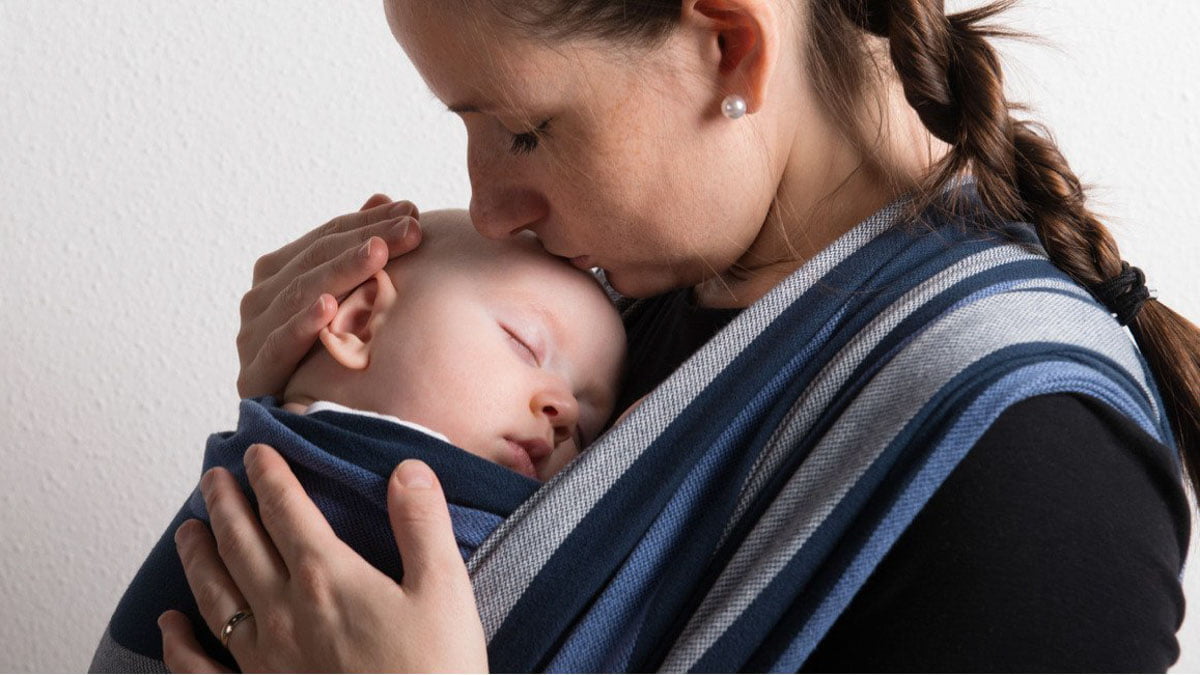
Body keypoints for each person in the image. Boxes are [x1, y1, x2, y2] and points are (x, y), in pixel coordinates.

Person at [154, 0, 1197, 671]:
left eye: (525, 129)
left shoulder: (1038, 467)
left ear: (729, 45)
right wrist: (315, 425)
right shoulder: (610, 309)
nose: (490, 203)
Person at [88, 210, 626, 672]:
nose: (564, 411)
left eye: (585, 430)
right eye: (525, 346)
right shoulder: (347, 478)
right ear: (361, 320)